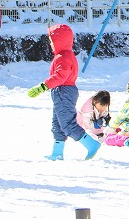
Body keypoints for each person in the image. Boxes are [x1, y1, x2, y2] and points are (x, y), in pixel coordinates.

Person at [27, 23, 101, 160]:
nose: (51, 44)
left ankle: (91, 144)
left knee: (67, 123)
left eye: (52, 41)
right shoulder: (64, 55)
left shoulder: (63, 57)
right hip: (61, 92)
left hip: (63, 91)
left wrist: (43, 86)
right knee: (58, 124)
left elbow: (61, 76)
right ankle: (57, 152)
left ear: (60, 40)